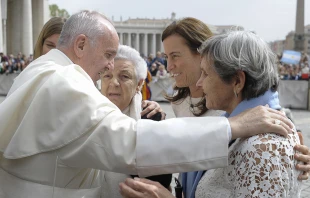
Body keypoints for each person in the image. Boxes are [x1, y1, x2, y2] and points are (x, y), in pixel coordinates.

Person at [0, 11, 293, 198]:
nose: (109, 68)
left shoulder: (45, 72)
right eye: (108, 55)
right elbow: (128, 141)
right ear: (79, 45)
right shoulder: (62, 79)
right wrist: (231, 127)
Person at [119, 18, 310, 198]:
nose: (168, 66)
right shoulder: (189, 101)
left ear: (237, 81)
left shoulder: (262, 146)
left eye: (206, 73)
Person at [193, 31, 302, 197]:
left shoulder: (260, 149)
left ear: (237, 81)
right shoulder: (241, 129)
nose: (199, 83)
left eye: (206, 74)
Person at [100, 45, 172, 198]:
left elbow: (159, 183)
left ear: (139, 84)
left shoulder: (151, 119)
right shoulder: (87, 113)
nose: (114, 82)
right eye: (107, 76)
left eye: (124, 76)